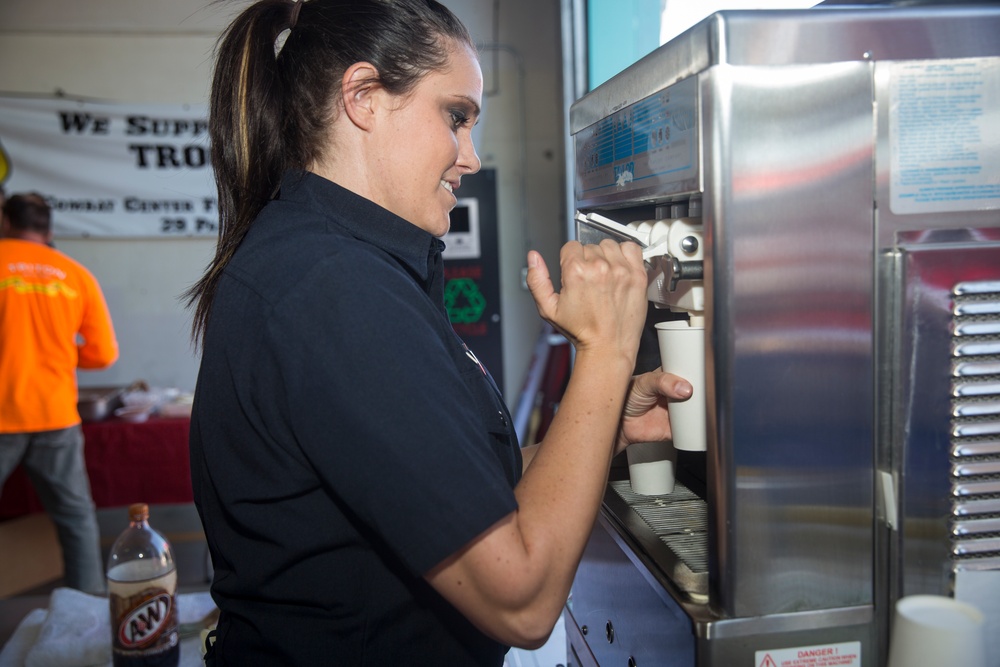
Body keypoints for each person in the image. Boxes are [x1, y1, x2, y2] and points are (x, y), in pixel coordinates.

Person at [185, 0, 693, 664]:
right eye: (455, 117)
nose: (471, 157)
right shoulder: (334, 289)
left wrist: (605, 419)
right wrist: (608, 347)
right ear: (364, 97)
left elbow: (478, 503)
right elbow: (521, 595)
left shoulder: (342, 266)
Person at [0, 192, 119, 594]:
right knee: (76, 518)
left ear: (6, 222)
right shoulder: (75, 274)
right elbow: (103, 354)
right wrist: (61, 355)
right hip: (55, 413)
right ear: (48, 230)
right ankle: (87, 614)